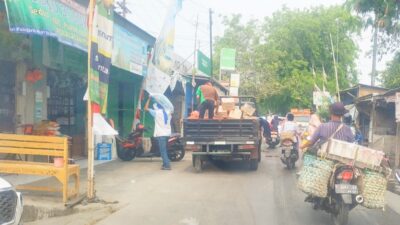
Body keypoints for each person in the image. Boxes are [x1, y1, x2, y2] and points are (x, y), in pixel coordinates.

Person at [145, 97, 172, 170]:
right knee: (164, 149)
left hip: (161, 134)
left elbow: (146, 108)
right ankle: (164, 163)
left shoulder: (156, 113)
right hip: (167, 134)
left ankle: (167, 165)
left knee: (162, 151)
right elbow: (171, 109)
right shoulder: (168, 112)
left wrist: (149, 99)